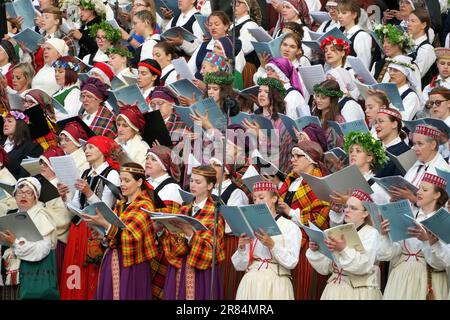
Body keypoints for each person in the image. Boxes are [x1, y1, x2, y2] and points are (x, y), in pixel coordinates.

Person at [58, 136, 121, 300]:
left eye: (91, 147)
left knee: (92, 273)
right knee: (75, 273)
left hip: (96, 231)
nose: (86, 150)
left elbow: (105, 208)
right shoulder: (85, 172)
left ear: (103, 150)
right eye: (86, 148)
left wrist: (88, 192)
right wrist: (65, 198)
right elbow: (76, 207)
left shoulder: (112, 174)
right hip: (78, 230)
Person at [86, 162, 158, 300]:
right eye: (121, 180)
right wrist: (102, 234)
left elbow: (130, 237)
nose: (122, 184)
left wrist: (105, 224)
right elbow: (115, 234)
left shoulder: (145, 205)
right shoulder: (121, 204)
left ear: (139, 182)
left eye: (127, 180)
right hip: (113, 260)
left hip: (132, 265)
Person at [378, 173, 449, 299]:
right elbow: (388, 254)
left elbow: (442, 263)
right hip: (400, 278)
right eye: (419, 188)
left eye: (425, 189)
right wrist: (385, 235)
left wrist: (428, 241)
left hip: (428, 279)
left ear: (437, 195)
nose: (419, 192)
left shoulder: (444, 220)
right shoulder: (408, 214)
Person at [160, 165, 225, 300]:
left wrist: (190, 234)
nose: (193, 185)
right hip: (179, 267)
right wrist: (164, 228)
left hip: (201, 272)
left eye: (198, 182)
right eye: (192, 181)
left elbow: (210, 251)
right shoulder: (184, 209)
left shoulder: (216, 212)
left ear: (210, 185)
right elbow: (172, 242)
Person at [277, 141, 330, 300]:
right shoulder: (291, 180)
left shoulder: (320, 182)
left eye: (298, 156)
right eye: (292, 156)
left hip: (307, 245)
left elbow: (319, 217)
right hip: (286, 240)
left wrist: (290, 212)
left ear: (311, 159)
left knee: (302, 291)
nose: (292, 160)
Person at [307, 189, 382, 300]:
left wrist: (343, 249)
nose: (347, 210)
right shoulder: (339, 231)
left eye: (353, 208)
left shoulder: (371, 233)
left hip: (358, 293)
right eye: (346, 206)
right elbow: (325, 268)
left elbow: (363, 266)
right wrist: (316, 250)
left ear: (365, 213)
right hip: (334, 289)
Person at [232, 181, 301, 300]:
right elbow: (240, 266)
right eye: (254, 199)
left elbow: (292, 262)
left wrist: (272, 245)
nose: (257, 202)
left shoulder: (290, 227)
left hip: (276, 283)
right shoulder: (250, 225)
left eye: (261, 197)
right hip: (251, 282)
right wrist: (242, 248)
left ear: (274, 198)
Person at [0, 177, 58, 300]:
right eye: (20, 192)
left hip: (34, 276)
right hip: (9, 276)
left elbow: (43, 249)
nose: (23, 196)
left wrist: (15, 243)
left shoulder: (41, 215)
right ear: (15, 196)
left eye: (28, 193)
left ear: (35, 197)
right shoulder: (10, 214)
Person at [144, 145, 183, 299]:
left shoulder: (172, 188)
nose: (148, 161)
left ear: (165, 165)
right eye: (147, 158)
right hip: (144, 240)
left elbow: (169, 222)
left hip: (160, 247)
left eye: (153, 159)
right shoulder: (145, 182)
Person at [243, 77, 293, 174]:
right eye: (260, 91)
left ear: (275, 96)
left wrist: (260, 135)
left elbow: (279, 153)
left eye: (266, 92)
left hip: (273, 172)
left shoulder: (282, 122)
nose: (261, 94)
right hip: (254, 168)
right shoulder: (256, 116)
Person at [38, 146, 73, 284]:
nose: (42, 166)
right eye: (40, 163)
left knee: (53, 282)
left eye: (45, 163)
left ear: (54, 166)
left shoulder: (64, 186)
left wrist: (40, 215)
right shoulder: (39, 184)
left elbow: (64, 217)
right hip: (38, 241)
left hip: (56, 242)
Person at [393, 124, 450, 203]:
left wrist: (412, 198)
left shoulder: (443, 171)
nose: (415, 148)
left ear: (433, 145)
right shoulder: (416, 164)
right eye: (414, 144)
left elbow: (440, 207)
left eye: (420, 144)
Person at [1, 111, 43, 179]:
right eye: (5, 121)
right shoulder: (1, 144)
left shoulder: (33, 148)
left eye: (9, 121)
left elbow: (27, 179)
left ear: (19, 125)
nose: (5, 124)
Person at [374, 108, 411, 178]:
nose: (376, 125)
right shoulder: (374, 147)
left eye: (381, 121)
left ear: (394, 124)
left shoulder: (405, 152)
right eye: (375, 122)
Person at [311, 80, 346, 150]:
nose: (318, 100)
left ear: (332, 100)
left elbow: (339, 148)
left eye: (323, 98)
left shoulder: (338, 121)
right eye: (317, 96)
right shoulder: (315, 114)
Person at [407, 9, 438, 88]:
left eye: (413, 21)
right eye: (408, 20)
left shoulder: (427, 49)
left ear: (423, 25)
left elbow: (416, 76)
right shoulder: (407, 43)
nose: (408, 24)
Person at [337, 0, 372, 68]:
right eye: (338, 13)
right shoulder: (341, 33)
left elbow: (364, 65)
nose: (339, 16)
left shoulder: (361, 35)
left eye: (344, 13)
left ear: (354, 15)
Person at [386, 55, 422, 120]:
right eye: (390, 69)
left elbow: (402, 122)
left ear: (405, 74)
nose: (391, 73)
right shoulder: (386, 91)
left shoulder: (411, 96)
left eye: (396, 70)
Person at [52, 56, 82, 120]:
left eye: (60, 72)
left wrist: (51, 114)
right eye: (55, 71)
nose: (56, 74)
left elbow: (70, 117)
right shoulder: (59, 91)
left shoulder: (74, 92)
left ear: (70, 73)